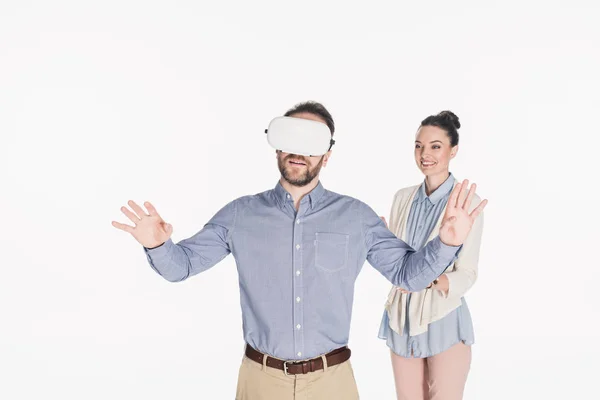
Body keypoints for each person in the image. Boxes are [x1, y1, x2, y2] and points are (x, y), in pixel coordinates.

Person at [112, 101, 487, 400]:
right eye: (293, 139)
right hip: (260, 382)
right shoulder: (240, 214)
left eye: (312, 144)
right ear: (277, 146)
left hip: (332, 383)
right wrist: (157, 243)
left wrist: (449, 242)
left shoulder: (357, 218)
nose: (299, 153)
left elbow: (409, 275)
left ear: (326, 155)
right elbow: (182, 266)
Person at [378, 111, 484, 400]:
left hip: (443, 320)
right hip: (401, 321)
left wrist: (428, 280)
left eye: (435, 146)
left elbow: (468, 272)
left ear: (453, 150)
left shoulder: (467, 204)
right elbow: (398, 262)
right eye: (418, 145)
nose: (425, 154)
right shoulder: (402, 197)